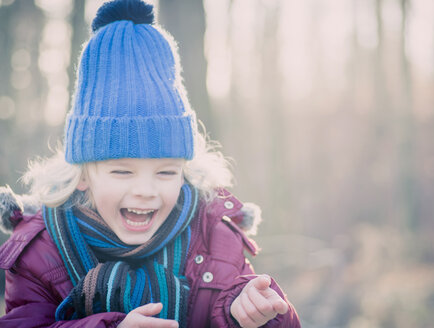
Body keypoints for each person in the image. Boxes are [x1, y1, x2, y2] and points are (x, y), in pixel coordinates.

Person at [0, 0, 300, 327]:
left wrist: (250, 313)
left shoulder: (213, 236)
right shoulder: (40, 252)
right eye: (122, 171)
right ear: (83, 175)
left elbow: (244, 305)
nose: (145, 190)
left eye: (166, 172)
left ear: (184, 171)